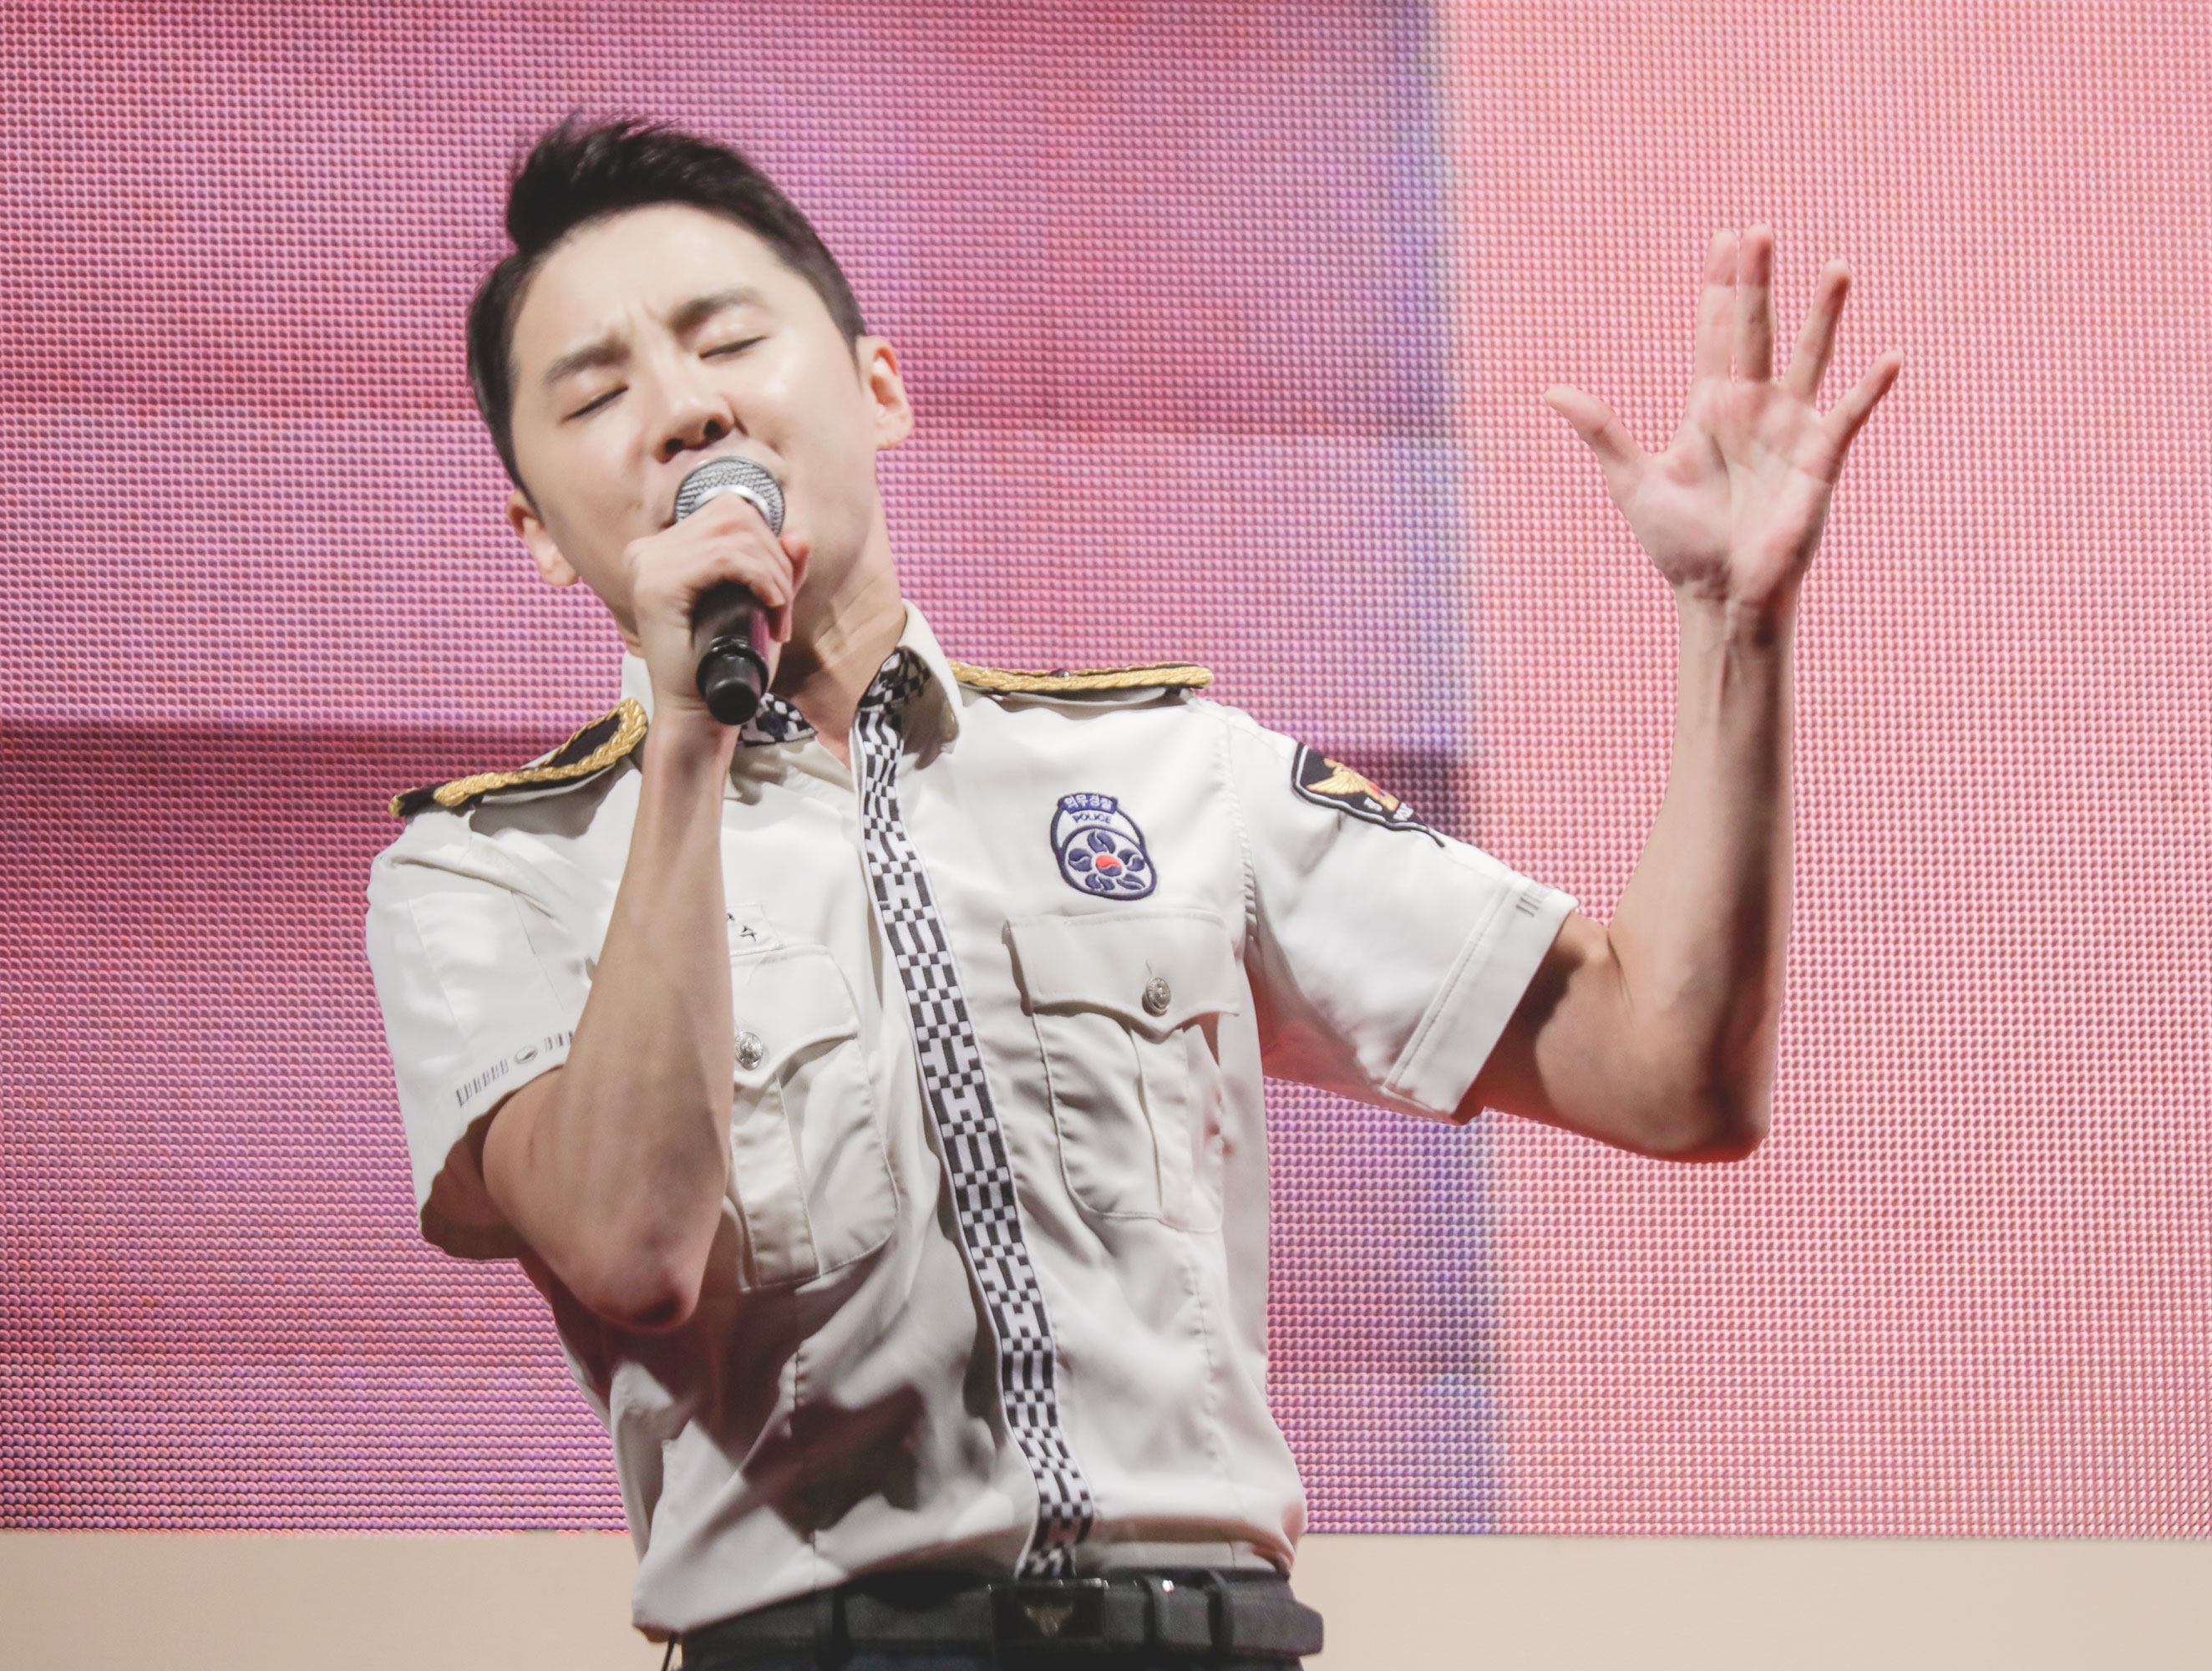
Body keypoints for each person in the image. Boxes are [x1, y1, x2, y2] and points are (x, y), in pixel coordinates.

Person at [363, 116, 1900, 1666]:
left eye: (728, 341)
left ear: (879, 388)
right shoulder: (489, 873)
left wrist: (1733, 625)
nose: (686, 410)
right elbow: (631, 1251)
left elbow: (1666, 1070)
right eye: (598, 394)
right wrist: (690, 743)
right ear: (538, 532)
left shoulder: (1176, 774)